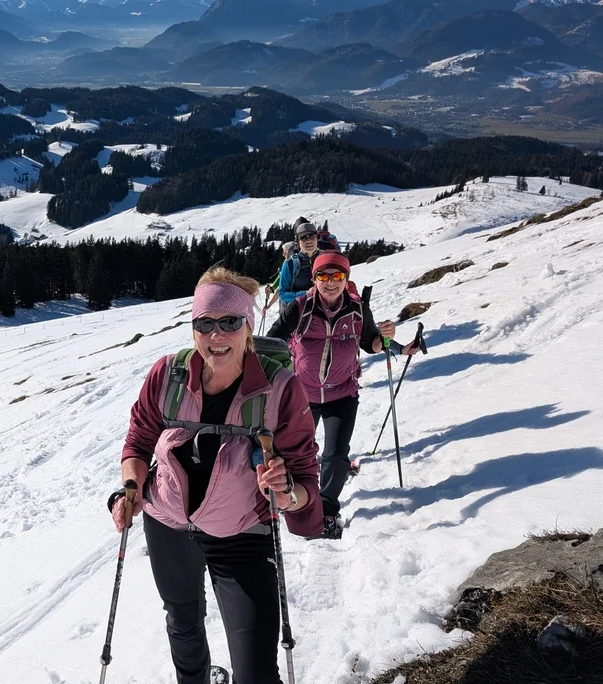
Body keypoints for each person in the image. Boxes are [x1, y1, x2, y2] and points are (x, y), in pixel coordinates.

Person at [111, 267, 322, 684]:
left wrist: (287, 492)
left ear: (249, 326)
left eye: (230, 322)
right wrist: (131, 488)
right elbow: (139, 437)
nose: (216, 335)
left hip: (242, 534)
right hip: (167, 521)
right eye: (204, 324)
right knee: (183, 621)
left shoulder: (280, 389)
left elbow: (304, 480)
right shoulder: (167, 375)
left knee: (256, 671)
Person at [267, 252, 418, 539]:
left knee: (336, 457)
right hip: (301, 394)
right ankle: (293, 500)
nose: (331, 282)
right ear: (314, 279)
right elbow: (273, 340)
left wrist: (385, 337)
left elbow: (370, 344)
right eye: (324, 276)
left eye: (337, 276)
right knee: (292, 452)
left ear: (346, 279)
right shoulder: (300, 307)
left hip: (342, 394)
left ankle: (324, 510)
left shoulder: (358, 309)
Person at [276, 222, 320, 306]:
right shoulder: (290, 263)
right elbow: (282, 294)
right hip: (299, 314)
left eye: (312, 236)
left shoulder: (326, 258)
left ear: (317, 238)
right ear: (298, 242)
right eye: (303, 238)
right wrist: (306, 293)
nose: (308, 240)